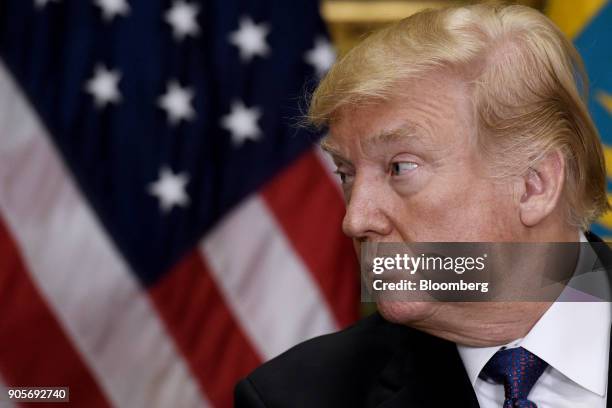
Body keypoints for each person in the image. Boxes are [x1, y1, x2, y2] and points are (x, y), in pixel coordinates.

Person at [234, 3, 612, 407]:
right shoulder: (293, 397)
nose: (356, 219)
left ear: (534, 185)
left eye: (400, 168)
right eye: (346, 173)